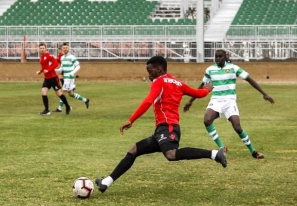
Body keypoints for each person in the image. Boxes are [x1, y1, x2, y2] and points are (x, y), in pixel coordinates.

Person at [94, 55, 227, 194]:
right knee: (134, 150)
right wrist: (207, 89)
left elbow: (148, 101)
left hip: (168, 127)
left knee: (171, 154)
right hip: (162, 130)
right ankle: (105, 182)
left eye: (150, 71)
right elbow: (198, 93)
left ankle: (214, 154)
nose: (149, 74)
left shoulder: (159, 81)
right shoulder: (177, 82)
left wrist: (131, 119)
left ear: (159, 69)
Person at [184, 49, 274, 159]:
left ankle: (253, 151)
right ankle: (222, 147)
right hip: (216, 100)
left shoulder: (233, 68)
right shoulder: (210, 70)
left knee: (237, 127)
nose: (218, 58)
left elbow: (250, 80)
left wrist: (264, 94)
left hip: (229, 101)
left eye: (220, 56)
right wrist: (191, 101)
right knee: (207, 120)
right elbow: (202, 85)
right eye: (216, 56)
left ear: (226, 57)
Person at [36, 43, 71, 116]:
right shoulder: (41, 58)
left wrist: (48, 70)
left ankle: (67, 107)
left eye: (43, 48)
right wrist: (40, 71)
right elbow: (44, 67)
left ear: (46, 49)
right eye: (40, 48)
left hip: (53, 78)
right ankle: (47, 110)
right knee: (43, 92)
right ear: (39, 49)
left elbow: (55, 64)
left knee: (59, 94)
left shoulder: (49, 56)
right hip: (47, 79)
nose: (42, 49)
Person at [55, 42, 90, 112]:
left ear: (69, 48)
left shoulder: (72, 57)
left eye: (66, 48)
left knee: (62, 92)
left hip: (69, 77)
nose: (65, 49)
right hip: (66, 77)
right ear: (62, 49)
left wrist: (72, 73)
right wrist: (54, 69)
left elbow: (78, 66)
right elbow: (61, 69)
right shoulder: (62, 58)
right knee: (71, 94)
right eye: (63, 48)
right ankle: (85, 100)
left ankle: (60, 108)